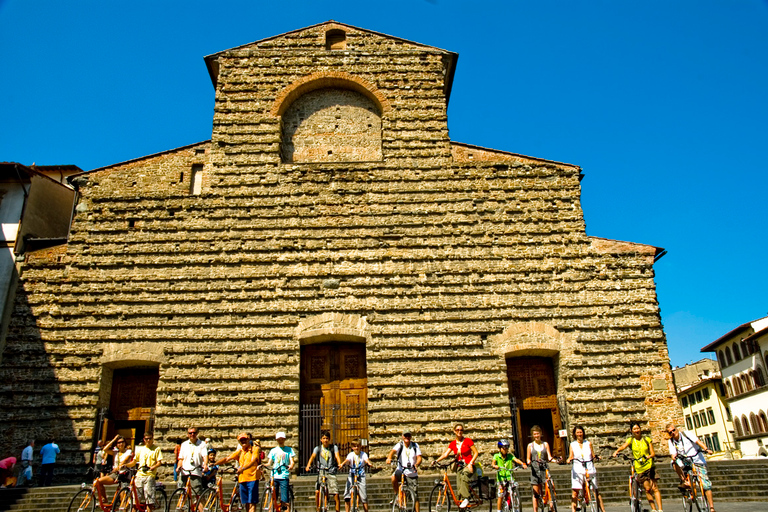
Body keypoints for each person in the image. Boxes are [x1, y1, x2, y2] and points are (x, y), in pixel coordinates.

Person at [612, 421, 663, 512]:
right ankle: (653, 509)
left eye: (638, 428)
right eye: (634, 429)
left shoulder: (647, 439)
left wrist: (649, 456)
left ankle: (660, 509)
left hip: (649, 465)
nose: (637, 430)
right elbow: (624, 446)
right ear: (632, 431)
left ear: (640, 429)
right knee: (647, 489)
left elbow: (653, 453)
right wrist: (617, 451)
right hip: (639, 467)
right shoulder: (631, 440)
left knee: (654, 488)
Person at [666, 423, 715, 512]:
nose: (673, 433)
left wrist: (706, 449)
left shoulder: (686, 434)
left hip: (697, 460)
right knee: (673, 462)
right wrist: (674, 457)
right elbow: (673, 454)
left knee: (706, 484)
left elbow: (698, 442)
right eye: (670, 432)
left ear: (677, 429)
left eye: (674, 430)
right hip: (684, 461)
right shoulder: (671, 442)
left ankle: (711, 507)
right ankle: (685, 481)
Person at [433, 423, 479, 509]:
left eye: (461, 430)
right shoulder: (453, 443)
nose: (459, 431)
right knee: (458, 487)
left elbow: (476, 453)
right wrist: (436, 460)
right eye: (457, 430)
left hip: (469, 465)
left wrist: (470, 463)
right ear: (454, 431)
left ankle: (466, 498)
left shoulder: (468, 441)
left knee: (464, 475)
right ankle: (461, 506)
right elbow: (445, 454)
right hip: (459, 466)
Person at [215, 433, 261, 512]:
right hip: (242, 479)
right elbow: (227, 458)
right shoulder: (240, 451)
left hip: (252, 478)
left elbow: (253, 461)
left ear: (248, 440)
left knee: (252, 503)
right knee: (246, 503)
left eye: (245, 439)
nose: (243, 441)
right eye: (241, 440)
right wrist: (214, 464)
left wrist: (243, 468)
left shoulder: (254, 449)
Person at [566, 426, 605, 512]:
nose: (579, 434)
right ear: (575, 434)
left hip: (589, 468)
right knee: (575, 493)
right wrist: (569, 459)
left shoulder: (588, 443)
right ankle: (573, 510)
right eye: (578, 433)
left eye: (581, 432)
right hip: (578, 469)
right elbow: (571, 456)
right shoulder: (572, 444)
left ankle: (603, 510)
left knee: (595, 491)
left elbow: (593, 455)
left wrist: (597, 457)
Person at [305, 429, 343, 512]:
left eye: (327, 438)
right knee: (317, 491)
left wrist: (339, 463)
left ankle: (337, 510)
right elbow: (312, 457)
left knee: (335, 493)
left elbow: (337, 456)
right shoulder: (318, 448)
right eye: (324, 438)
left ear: (329, 439)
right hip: (321, 471)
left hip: (331, 471)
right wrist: (308, 465)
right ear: (321, 440)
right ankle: (318, 508)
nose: (325, 440)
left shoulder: (333, 447)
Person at [385, 428, 422, 512]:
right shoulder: (399, 445)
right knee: (393, 477)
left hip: (411, 472)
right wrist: (389, 458)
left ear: (411, 437)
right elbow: (392, 451)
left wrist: (417, 464)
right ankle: (396, 495)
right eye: (405, 435)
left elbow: (419, 457)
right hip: (401, 469)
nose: (407, 437)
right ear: (402, 436)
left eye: (408, 435)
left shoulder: (415, 446)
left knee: (415, 496)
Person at [94, 435, 133, 503]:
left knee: (122, 497)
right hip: (116, 474)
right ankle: (105, 499)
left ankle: (123, 508)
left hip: (124, 474)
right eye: (118, 442)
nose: (121, 444)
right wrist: (113, 439)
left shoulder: (128, 451)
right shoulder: (115, 452)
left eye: (122, 442)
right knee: (98, 481)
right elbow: (105, 449)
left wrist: (118, 468)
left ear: (125, 443)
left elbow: (125, 461)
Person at [491, 439, 526, 512]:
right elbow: (493, 463)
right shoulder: (496, 456)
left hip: (509, 477)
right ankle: (499, 510)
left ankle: (514, 505)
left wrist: (522, 464)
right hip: (501, 478)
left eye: (507, 448)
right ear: (500, 448)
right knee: (500, 495)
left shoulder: (510, 456)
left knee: (513, 490)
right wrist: (495, 466)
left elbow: (516, 460)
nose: (505, 450)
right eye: (504, 448)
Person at [132, 433, 163, 512]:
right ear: (144, 440)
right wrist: (125, 465)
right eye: (146, 439)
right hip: (139, 475)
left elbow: (159, 462)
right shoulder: (141, 449)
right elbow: (134, 461)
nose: (148, 440)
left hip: (149, 475)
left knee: (149, 501)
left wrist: (153, 467)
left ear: (152, 439)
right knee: (135, 501)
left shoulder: (156, 449)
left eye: (150, 438)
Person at [526, 425, 554, 512]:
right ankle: (535, 510)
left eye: (538, 434)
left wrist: (555, 460)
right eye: (535, 434)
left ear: (541, 434)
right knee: (536, 492)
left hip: (544, 468)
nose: (536, 436)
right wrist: (528, 462)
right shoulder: (530, 446)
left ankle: (552, 506)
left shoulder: (545, 444)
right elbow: (528, 458)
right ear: (532, 435)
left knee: (550, 487)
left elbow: (549, 456)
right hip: (535, 469)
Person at [340, 439, 372, 512]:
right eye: (355, 446)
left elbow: (366, 460)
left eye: (358, 446)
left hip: (361, 476)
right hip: (352, 475)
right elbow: (347, 460)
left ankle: (366, 510)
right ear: (352, 447)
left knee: (364, 496)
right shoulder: (351, 455)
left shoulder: (363, 454)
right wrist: (342, 464)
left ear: (360, 447)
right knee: (347, 494)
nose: (356, 448)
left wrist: (369, 463)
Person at [267, 432, 296, 512]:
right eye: (279, 439)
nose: (280, 440)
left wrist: (291, 465)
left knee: (285, 499)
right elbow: (269, 462)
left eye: (282, 439)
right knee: (272, 498)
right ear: (276, 440)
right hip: (274, 475)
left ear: (284, 439)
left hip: (284, 475)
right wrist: (263, 465)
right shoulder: (273, 450)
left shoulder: (289, 450)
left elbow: (292, 461)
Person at [178, 427, 207, 496]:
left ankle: (200, 507)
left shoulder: (202, 444)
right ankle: (182, 506)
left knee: (197, 495)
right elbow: (181, 458)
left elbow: (205, 456)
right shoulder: (184, 444)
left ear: (197, 433)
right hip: (184, 472)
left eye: (194, 433)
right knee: (181, 493)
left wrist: (205, 464)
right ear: (187, 434)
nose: (192, 434)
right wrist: (179, 466)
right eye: (190, 433)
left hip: (195, 472)